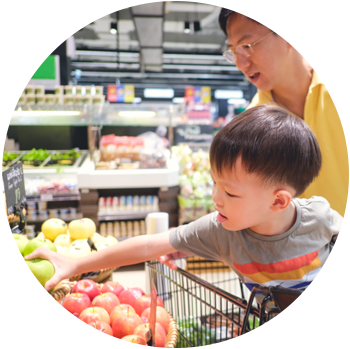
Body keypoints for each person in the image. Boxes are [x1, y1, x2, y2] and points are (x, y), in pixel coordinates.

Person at [27, 105, 350, 341]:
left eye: (231, 193)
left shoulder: (315, 216)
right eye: (214, 184)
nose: (216, 199)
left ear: (278, 201)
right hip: (291, 327)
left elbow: (342, 230)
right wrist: (77, 263)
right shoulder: (219, 228)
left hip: (343, 314)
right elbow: (149, 245)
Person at [219, 0, 350, 223]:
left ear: (290, 35)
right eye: (233, 51)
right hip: (302, 257)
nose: (240, 63)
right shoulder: (252, 125)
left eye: (247, 46)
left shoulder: (346, 77)